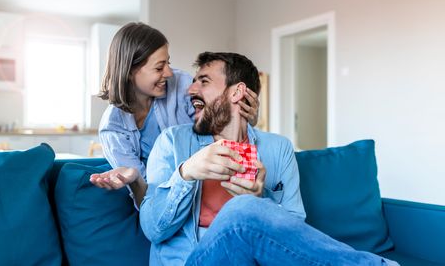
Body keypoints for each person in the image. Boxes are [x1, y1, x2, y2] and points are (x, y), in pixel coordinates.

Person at [136, 52, 399, 265]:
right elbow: (153, 229)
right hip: (194, 260)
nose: (190, 89)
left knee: (246, 206)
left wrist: (261, 200)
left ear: (237, 92)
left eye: (203, 81)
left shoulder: (277, 148)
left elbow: (294, 230)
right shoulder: (174, 141)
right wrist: (186, 173)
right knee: (242, 209)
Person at [89, 23, 259, 205]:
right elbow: (148, 200)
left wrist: (247, 119)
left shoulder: (181, 84)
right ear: (130, 71)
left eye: (167, 63)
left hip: (212, 184)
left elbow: (222, 125)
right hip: (171, 202)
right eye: (159, 67)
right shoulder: (113, 129)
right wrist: (135, 179)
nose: (169, 73)